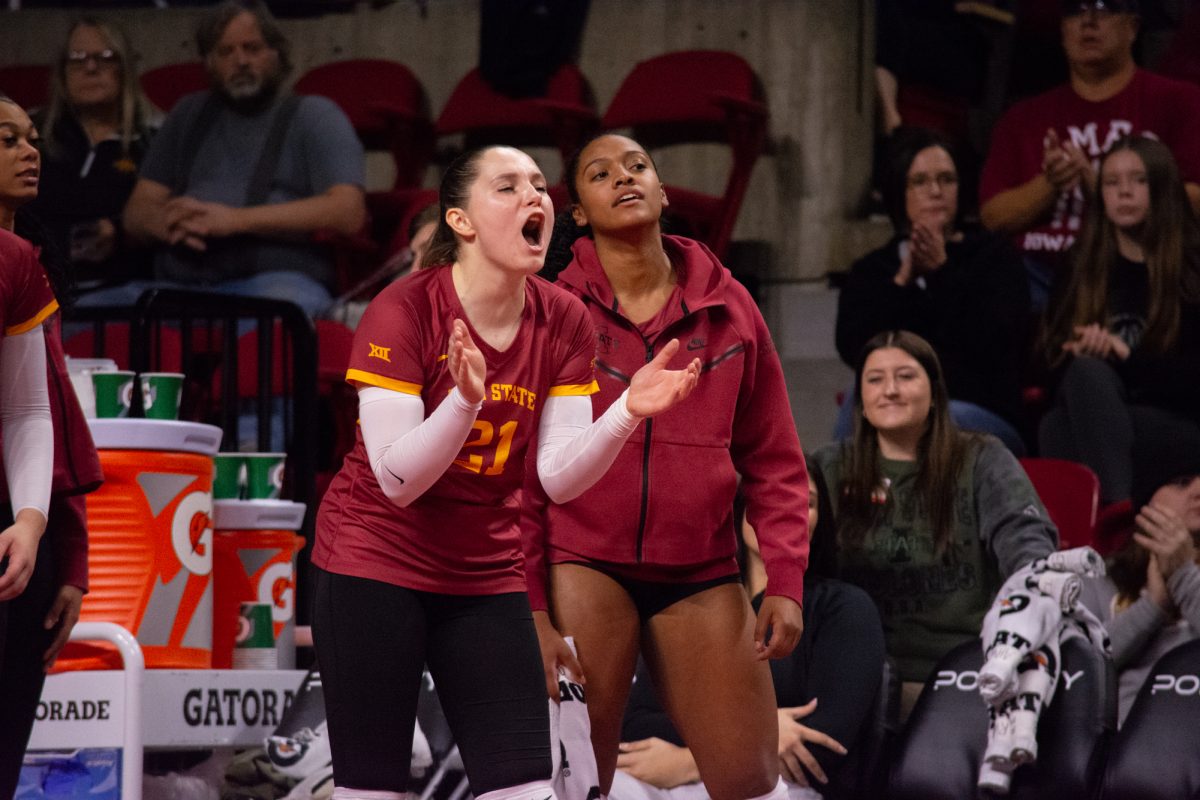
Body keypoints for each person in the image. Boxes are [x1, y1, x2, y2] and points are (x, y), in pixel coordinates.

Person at [310, 144, 701, 800]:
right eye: (508, 186)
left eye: (540, 187)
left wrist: (628, 412)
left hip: (484, 573)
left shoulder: (564, 317)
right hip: (371, 565)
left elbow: (556, 478)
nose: (535, 197)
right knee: (372, 789)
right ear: (461, 221)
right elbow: (396, 482)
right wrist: (465, 401)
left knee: (524, 789)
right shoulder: (403, 310)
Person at [527, 133, 810, 800]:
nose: (623, 177)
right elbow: (520, 477)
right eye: (599, 173)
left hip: (701, 567)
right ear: (580, 213)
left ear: (662, 192)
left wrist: (786, 578)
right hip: (584, 561)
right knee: (578, 777)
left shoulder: (730, 305)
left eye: (638, 166)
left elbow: (775, 457)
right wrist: (532, 610)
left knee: (750, 776)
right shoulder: (551, 311)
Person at [812, 330, 1058, 719]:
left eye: (906, 376)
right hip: (858, 674)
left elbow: (1025, 538)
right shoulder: (828, 466)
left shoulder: (982, 458)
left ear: (935, 390)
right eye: (875, 380)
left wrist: (1032, 587)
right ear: (860, 399)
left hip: (964, 669)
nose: (889, 390)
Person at [610, 468, 886, 800]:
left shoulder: (844, 608)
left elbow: (824, 744)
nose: (786, 510)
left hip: (779, 786)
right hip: (672, 783)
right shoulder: (693, 604)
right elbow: (636, 726)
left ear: (817, 522)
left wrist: (688, 761)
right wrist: (767, 729)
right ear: (740, 511)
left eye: (807, 503)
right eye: (767, 498)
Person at [93, 0, 366, 318]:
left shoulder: (314, 115)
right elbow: (136, 212)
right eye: (226, 52)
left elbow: (347, 211)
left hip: (277, 282)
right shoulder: (188, 113)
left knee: (270, 324)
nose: (241, 61)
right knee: (80, 316)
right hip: (178, 285)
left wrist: (232, 220)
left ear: (277, 54)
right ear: (209, 61)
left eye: (252, 48)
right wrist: (170, 223)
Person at [979, 0, 1200, 307]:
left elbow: (1196, 199)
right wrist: (1050, 183)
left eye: (1104, 8)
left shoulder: (1181, 102)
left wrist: (1103, 188)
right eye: (1075, 11)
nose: (1089, 21)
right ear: (1062, 30)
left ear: (1132, 27)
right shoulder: (1021, 117)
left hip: (1138, 273)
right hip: (1038, 277)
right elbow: (993, 217)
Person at [835, 127, 1030, 453]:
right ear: (900, 191)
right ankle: (849, 503)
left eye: (947, 179)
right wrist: (902, 283)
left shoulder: (995, 257)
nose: (936, 191)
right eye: (921, 181)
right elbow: (854, 347)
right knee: (856, 404)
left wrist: (942, 272)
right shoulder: (874, 270)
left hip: (979, 409)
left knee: (929, 419)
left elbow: (994, 341)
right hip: (899, 403)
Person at [1037, 135, 1200, 504]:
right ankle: (1118, 516)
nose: (1123, 192)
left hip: (1178, 422)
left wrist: (1125, 357)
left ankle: (1108, 522)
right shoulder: (1081, 264)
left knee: (1059, 430)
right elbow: (1045, 365)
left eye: (1138, 180)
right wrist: (1079, 349)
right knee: (1080, 379)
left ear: (1162, 186)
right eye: (1111, 182)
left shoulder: (1192, 267)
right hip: (1102, 413)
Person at [0, 94, 72, 798]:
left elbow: (29, 410)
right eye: (6, 138)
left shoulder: (18, 259)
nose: (29, 152)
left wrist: (30, 522)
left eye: (30, 138)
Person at [24, 18, 156, 297]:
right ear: (62, 73)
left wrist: (118, 233)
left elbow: (160, 217)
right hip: (36, 289)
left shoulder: (152, 140)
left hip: (125, 290)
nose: (91, 68)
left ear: (125, 68)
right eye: (77, 58)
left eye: (105, 58)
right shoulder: (29, 136)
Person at [1083, 440, 1200, 726]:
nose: (1199, 491)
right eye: (1182, 482)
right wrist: (1152, 607)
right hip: (1121, 755)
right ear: (1147, 502)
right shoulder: (1098, 577)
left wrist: (1183, 576)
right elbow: (1080, 669)